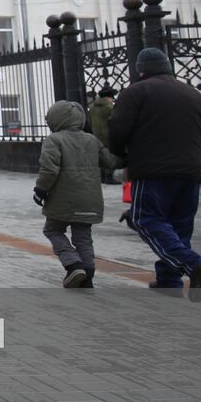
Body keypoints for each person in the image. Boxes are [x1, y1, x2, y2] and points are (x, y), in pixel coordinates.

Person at [109, 47, 201, 297]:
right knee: (180, 226)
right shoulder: (193, 93)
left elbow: (118, 128)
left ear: (141, 69)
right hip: (189, 170)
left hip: (152, 170)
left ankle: (194, 264)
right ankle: (169, 280)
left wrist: (121, 155)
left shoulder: (136, 92)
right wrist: (188, 154)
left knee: (145, 219)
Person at [34, 100, 120, 288]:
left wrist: (40, 190)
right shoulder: (91, 140)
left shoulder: (54, 140)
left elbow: (49, 170)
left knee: (53, 230)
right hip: (90, 200)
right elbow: (109, 162)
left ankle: (73, 264)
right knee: (83, 235)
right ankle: (87, 273)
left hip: (62, 200)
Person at [87, 86, 117, 184]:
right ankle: (109, 177)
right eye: (112, 98)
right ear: (109, 97)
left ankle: (101, 177)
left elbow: (89, 122)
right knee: (109, 156)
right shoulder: (110, 108)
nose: (113, 100)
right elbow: (115, 121)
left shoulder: (92, 108)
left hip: (95, 136)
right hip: (108, 136)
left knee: (99, 156)